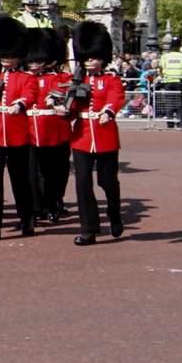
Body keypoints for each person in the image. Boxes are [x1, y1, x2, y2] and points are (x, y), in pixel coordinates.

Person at [0, 17, 38, 241]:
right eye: (4, 56)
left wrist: (20, 104)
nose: (7, 60)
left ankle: (26, 218)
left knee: (20, 179)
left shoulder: (26, 77)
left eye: (11, 56)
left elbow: (30, 95)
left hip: (17, 134)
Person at [68, 21, 126, 245]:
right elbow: (70, 104)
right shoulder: (76, 80)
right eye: (87, 57)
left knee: (107, 181)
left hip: (105, 137)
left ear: (103, 57)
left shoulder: (110, 79)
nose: (90, 61)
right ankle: (88, 229)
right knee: (82, 184)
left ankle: (114, 215)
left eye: (94, 57)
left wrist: (108, 112)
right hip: (81, 137)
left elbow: (116, 98)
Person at [27, 27, 74, 223]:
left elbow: (70, 102)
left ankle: (54, 202)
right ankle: (38, 206)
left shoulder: (61, 79)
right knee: (32, 172)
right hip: (29, 131)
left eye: (37, 60)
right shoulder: (24, 78)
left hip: (56, 131)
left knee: (56, 171)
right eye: (31, 60)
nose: (33, 65)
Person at [156, 40, 182, 128]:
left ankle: (170, 122)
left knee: (169, 102)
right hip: (180, 81)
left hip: (168, 81)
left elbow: (160, 68)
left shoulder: (165, 56)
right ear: (179, 47)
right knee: (180, 102)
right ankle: (179, 122)